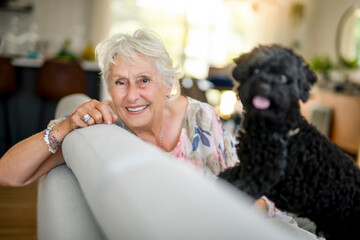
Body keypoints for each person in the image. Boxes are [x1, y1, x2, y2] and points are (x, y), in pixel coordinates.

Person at [0, 29, 289, 220]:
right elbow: (7, 174)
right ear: (109, 90)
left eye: (144, 80)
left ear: (167, 84)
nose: (132, 95)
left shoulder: (201, 115)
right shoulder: (99, 127)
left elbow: (249, 182)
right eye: (120, 82)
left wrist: (255, 210)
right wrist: (64, 128)